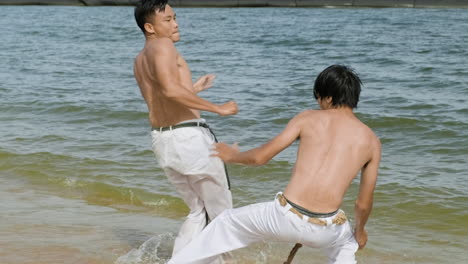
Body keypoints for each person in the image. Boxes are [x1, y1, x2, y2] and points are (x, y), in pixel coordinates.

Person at [168, 65, 381, 264]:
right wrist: (360, 231)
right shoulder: (371, 140)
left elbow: (260, 157)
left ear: (327, 97)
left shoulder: (307, 118)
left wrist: (232, 156)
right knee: (347, 244)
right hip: (326, 229)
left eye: (318, 98)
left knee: (225, 223)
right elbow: (363, 203)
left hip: (283, 218)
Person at [133, 0, 238, 262]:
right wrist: (218, 108)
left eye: (175, 17)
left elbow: (161, 97)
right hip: (188, 138)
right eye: (167, 20)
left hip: (164, 140)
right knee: (220, 212)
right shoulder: (163, 45)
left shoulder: (139, 59)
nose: (176, 23)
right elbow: (169, 90)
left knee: (198, 211)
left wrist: (194, 89)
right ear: (150, 27)